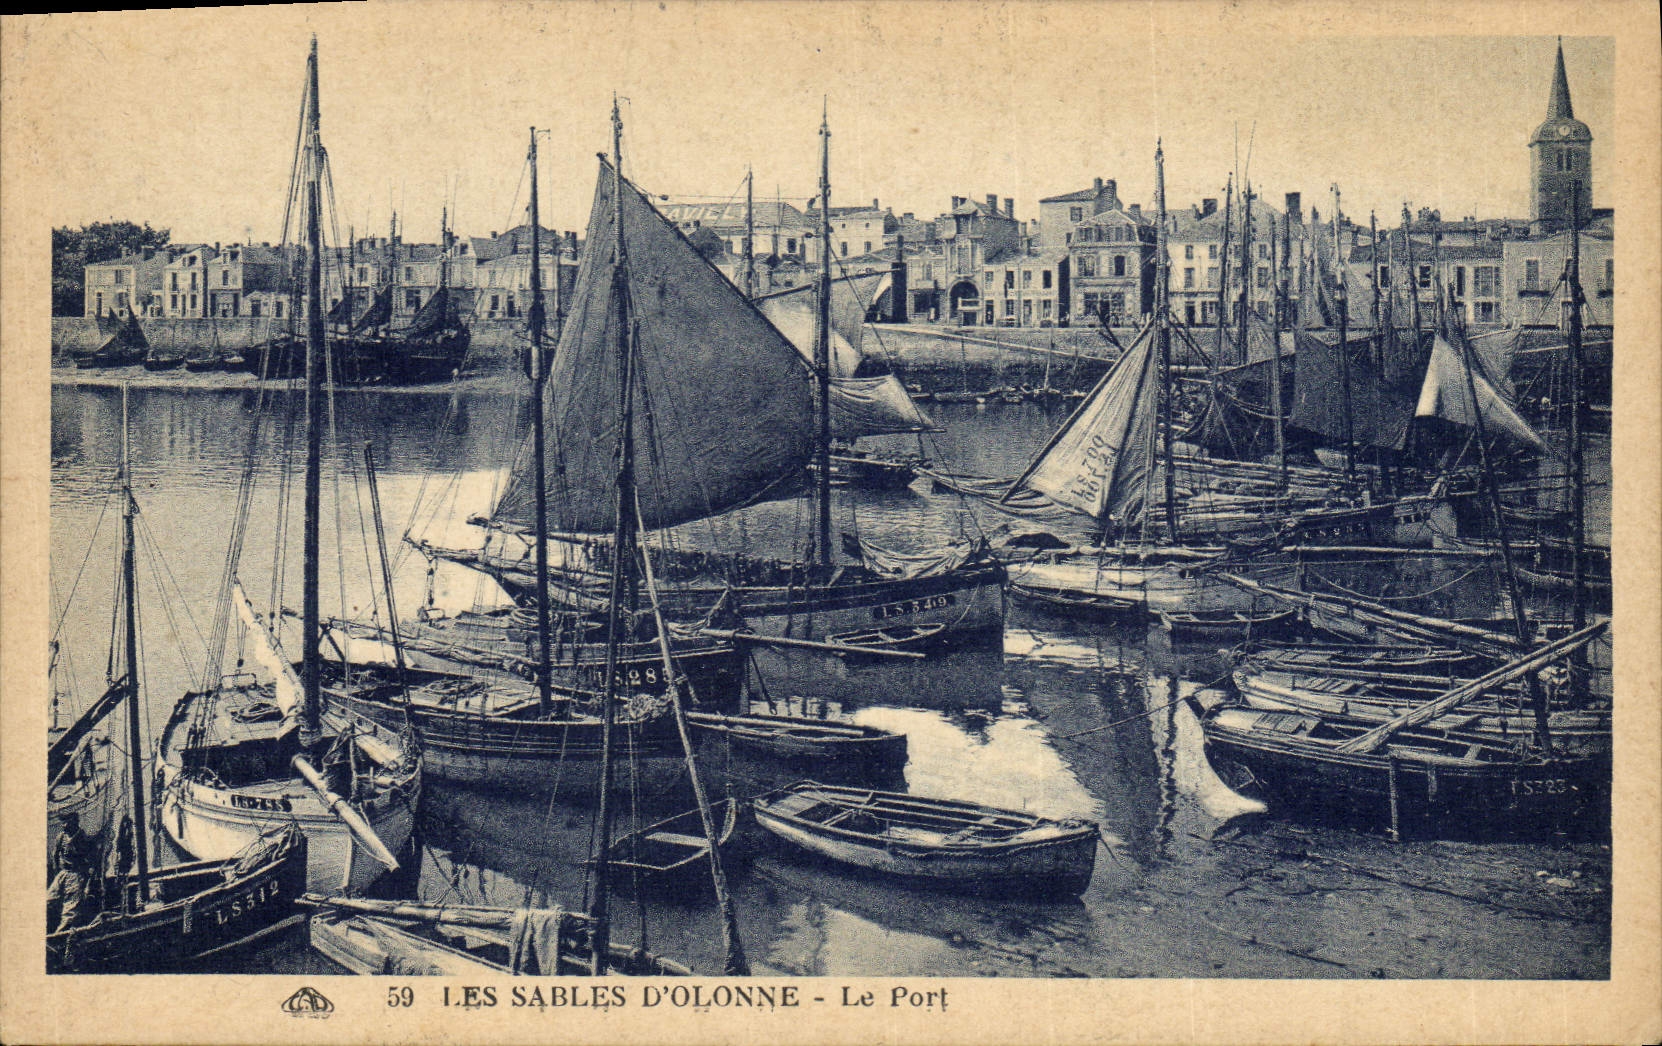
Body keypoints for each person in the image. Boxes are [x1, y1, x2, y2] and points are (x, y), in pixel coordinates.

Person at [48, 813, 99, 932]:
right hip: (63, 874)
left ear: (75, 822)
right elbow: (55, 854)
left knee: (70, 912)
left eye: (67, 823)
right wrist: (57, 873)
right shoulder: (61, 837)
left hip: (77, 875)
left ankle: (60, 937)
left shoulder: (84, 839)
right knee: (49, 901)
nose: (64, 826)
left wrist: (87, 884)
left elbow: (94, 863)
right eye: (62, 823)